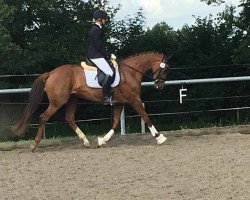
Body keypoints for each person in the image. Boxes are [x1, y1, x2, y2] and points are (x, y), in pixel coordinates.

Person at [87, 10, 116, 105]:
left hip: (96, 54)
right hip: (95, 55)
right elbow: (99, 45)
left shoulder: (97, 29)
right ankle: (106, 97)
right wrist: (109, 55)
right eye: (105, 19)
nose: (106, 20)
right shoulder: (96, 30)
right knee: (110, 72)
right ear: (99, 19)